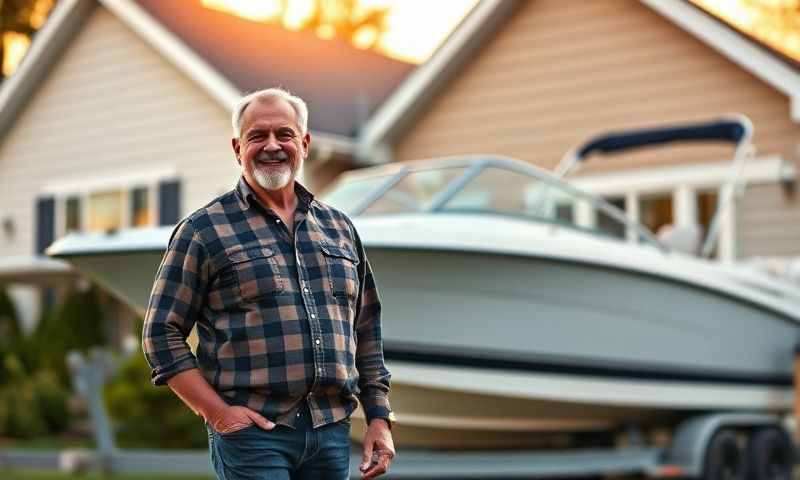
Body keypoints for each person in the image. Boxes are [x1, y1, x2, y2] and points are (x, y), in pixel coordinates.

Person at [142, 87, 395, 480]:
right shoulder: (203, 230)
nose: (272, 145)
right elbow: (161, 332)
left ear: (305, 144)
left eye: (285, 134)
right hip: (253, 439)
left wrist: (379, 418)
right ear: (237, 147)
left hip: (330, 434)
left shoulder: (340, 228)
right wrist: (218, 414)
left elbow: (365, 327)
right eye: (258, 136)